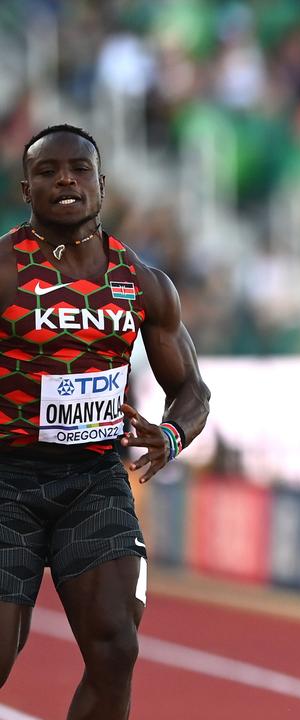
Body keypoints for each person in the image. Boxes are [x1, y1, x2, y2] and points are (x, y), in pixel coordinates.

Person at [0, 124, 211, 718]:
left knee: (116, 648)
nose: (65, 179)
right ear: (26, 188)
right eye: (47, 171)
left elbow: (191, 389)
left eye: (79, 169)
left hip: (93, 481)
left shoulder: (142, 283)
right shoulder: (3, 271)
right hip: (6, 479)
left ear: (102, 184)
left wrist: (170, 435)